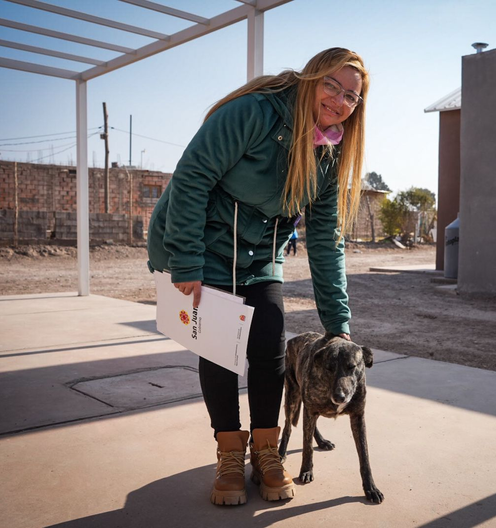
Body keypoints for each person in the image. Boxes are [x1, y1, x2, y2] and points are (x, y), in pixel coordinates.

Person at [146, 48, 369, 506]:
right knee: (220, 348)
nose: (340, 100)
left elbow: (326, 239)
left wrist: (337, 323)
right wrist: (185, 260)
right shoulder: (254, 113)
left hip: (260, 255)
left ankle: (267, 452)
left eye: (351, 96)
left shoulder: (330, 150)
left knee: (269, 340)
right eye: (332, 85)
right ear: (312, 79)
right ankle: (229, 451)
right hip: (205, 245)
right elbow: (191, 177)